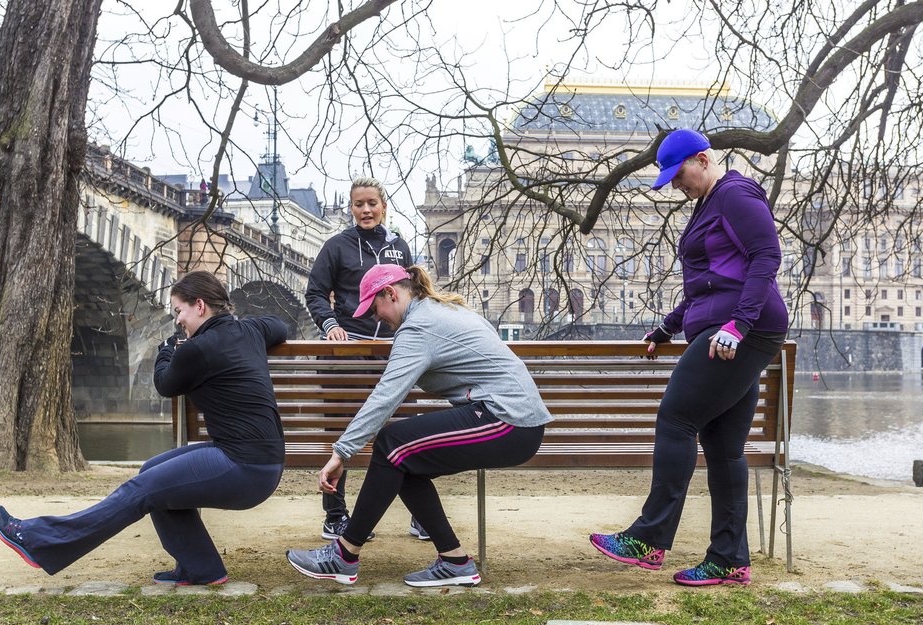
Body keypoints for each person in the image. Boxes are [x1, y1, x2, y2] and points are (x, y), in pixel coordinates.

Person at [0, 271, 288, 586]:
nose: (178, 321)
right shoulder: (251, 330)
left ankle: (40, 541)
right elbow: (278, 326)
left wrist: (167, 349)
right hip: (261, 461)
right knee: (150, 471)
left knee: (141, 490)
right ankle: (201, 568)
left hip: (243, 466)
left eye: (179, 311)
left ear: (199, 305)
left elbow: (164, 383)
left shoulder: (196, 349)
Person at [589, 129, 789, 587]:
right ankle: (728, 560)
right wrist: (668, 326)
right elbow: (708, 285)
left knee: (675, 418)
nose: (676, 186)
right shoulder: (709, 202)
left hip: (741, 332)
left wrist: (737, 325)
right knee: (723, 449)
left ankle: (649, 538)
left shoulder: (735, 194)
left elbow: (766, 256)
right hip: (731, 330)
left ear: (703, 159)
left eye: (678, 176)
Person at [287, 264, 553, 586]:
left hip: (508, 420)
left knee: (391, 445)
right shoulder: (441, 309)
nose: (376, 317)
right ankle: (454, 561)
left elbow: (385, 397)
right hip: (509, 418)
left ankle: (344, 555)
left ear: (391, 293)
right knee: (400, 458)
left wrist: (341, 453)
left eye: (375, 308)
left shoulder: (419, 327)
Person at [304, 177, 417, 542]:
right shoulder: (336, 246)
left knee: (400, 434)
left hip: (392, 351)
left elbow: (412, 297)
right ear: (351, 209)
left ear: (384, 206)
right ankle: (335, 515)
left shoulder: (399, 247)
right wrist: (330, 323)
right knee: (341, 431)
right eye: (358, 204)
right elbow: (316, 293)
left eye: (372, 203)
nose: (365, 210)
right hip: (347, 349)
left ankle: (419, 514)